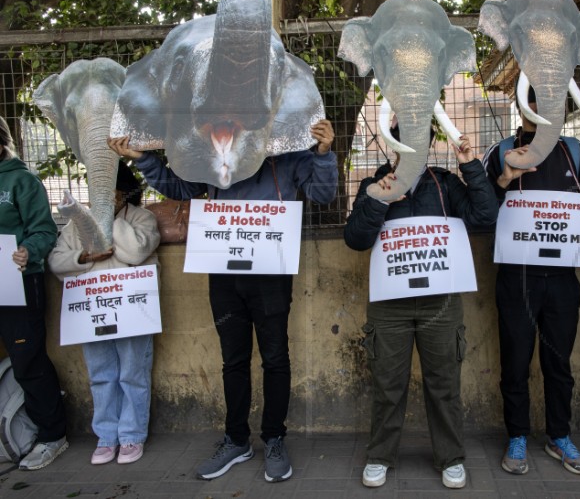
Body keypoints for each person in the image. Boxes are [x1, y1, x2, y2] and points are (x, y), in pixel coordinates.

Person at [108, 119, 336, 482]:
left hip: (271, 275)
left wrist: (323, 153)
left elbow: (323, 194)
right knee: (233, 360)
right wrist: (142, 158)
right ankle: (236, 440)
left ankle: (275, 439)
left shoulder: (290, 155)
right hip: (224, 274)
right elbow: (177, 187)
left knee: (276, 358)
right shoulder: (215, 156)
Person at [344, 126, 498, 489]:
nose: (415, 148)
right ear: (393, 144)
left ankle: (451, 458)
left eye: (422, 141)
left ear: (430, 145)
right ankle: (380, 456)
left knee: (444, 383)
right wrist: (379, 202)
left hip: (441, 303)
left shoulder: (444, 183)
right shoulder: (375, 183)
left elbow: (485, 216)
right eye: (406, 141)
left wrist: (471, 166)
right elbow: (355, 238)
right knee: (388, 384)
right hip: (389, 306)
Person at [482, 87, 580, 476]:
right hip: (516, 279)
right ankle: (518, 438)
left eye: (550, 101)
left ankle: (559, 436)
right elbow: (481, 207)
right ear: (523, 106)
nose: (541, 108)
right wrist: (506, 179)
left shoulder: (574, 150)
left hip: (562, 279)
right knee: (515, 363)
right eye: (534, 100)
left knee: (559, 363)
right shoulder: (503, 149)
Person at [48, 160, 160, 465]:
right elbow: (57, 262)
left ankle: (132, 435)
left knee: (133, 373)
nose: (102, 195)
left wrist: (108, 218)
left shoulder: (142, 218)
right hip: (94, 314)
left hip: (132, 314)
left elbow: (135, 252)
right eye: (97, 190)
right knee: (101, 375)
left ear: (123, 192)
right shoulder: (77, 225)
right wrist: (83, 256)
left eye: (109, 190)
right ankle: (107, 436)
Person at [0, 115, 68, 470]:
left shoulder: (22, 181)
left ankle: (52, 436)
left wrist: (29, 250)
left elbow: (44, 230)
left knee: (28, 361)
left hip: (17, 283)